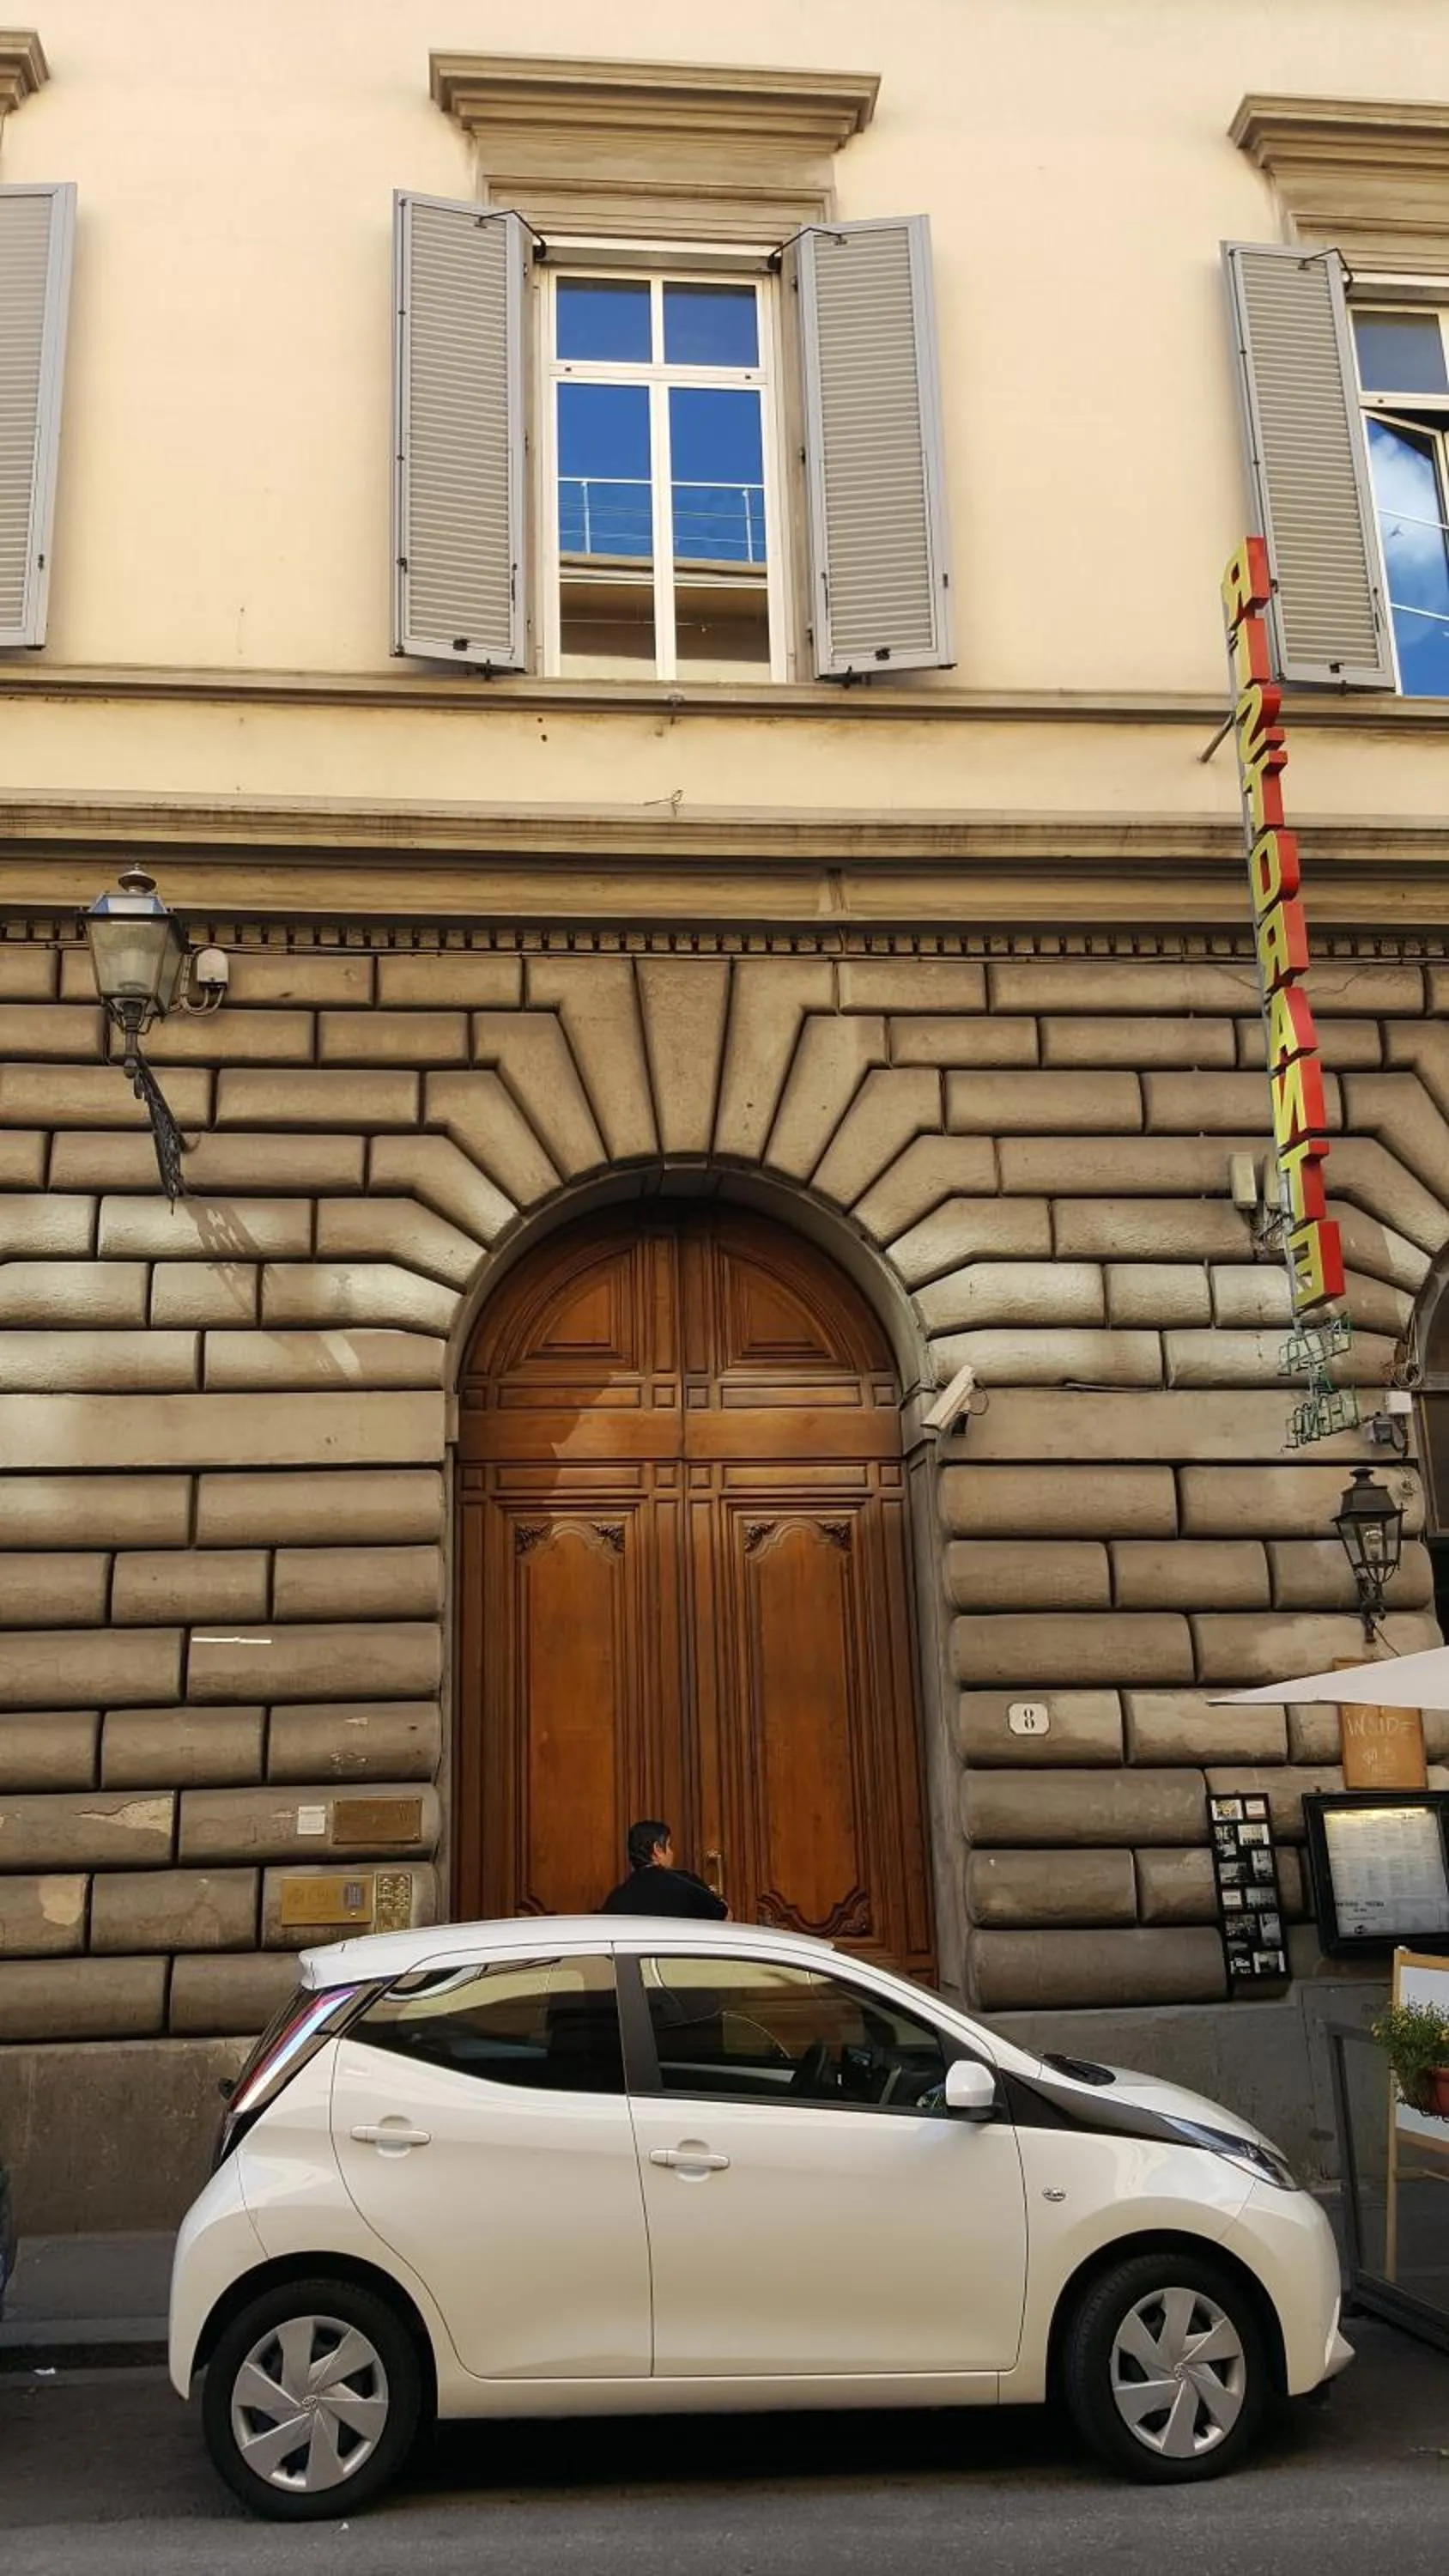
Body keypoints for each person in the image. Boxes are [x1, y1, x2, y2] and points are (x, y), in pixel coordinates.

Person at [598, 1820, 728, 1919]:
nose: (672, 1853)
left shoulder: (617, 1897)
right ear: (658, 1850)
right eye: (669, 1845)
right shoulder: (686, 1883)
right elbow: (724, 1916)